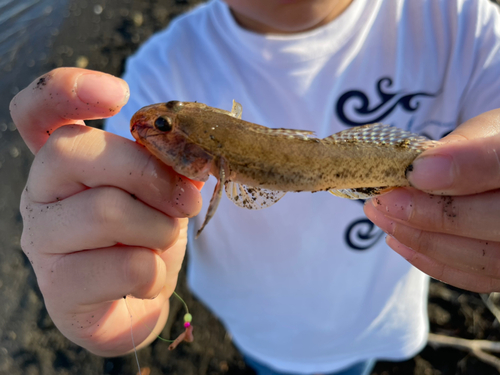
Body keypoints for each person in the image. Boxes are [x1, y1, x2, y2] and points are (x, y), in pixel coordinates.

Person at [9, 0, 500, 374]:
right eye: (166, 121)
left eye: (163, 125)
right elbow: (123, 221)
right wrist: (112, 297)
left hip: (377, 328)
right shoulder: (159, 66)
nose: (152, 127)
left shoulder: (469, 27)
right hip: (266, 340)